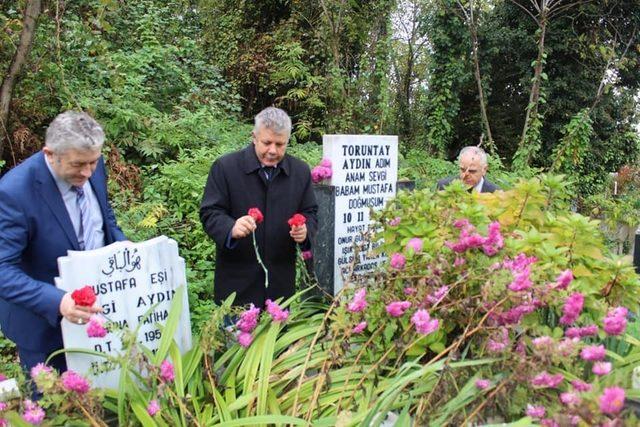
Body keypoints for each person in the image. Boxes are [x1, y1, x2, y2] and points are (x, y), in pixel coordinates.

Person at [0, 111, 126, 373]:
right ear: (50, 153)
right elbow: (3, 269)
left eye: (93, 162)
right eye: (78, 165)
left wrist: (125, 248)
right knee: (54, 409)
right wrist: (57, 301)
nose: (88, 172)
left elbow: (104, 218)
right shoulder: (14, 193)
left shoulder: (91, 163)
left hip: (100, 310)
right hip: (45, 330)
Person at [200, 107, 318, 308]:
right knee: (236, 340)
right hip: (237, 287)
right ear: (254, 137)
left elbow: (311, 212)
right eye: (267, 142)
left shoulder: (300, 172)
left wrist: (305, 231)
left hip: (280, 287)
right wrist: (231, 228)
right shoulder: (226, 168)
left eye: (280, 144)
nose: (273, 151)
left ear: (288, 141)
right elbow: (210, 212)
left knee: (279, 339)